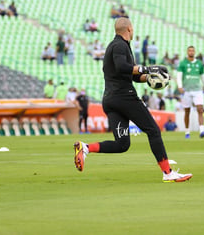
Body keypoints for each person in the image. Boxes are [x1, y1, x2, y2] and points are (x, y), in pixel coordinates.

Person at [73, 17, 192, 183]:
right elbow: (123, 67)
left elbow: (132, 75)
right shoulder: (120, 45)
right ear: (129, 29)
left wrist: (150, 77)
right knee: (153, 130)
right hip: (124, 97)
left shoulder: (116, 46)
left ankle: (85, 148)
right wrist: (147, 68)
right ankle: (167, 173)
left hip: (110, 100)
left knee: (122, 144)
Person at [177, 46, 204, 139]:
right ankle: (187, 131)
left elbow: (202, 76)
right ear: (187, 52)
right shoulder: (183, 63)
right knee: (187, 111)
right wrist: (180, 86)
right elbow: (179, 76)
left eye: (192, 50)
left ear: (194, 52)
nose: (191, 52)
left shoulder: (199, 63)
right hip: (187, 90)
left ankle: (202, 131)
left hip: (197, 90)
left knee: (200, 109)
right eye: (189, 50)